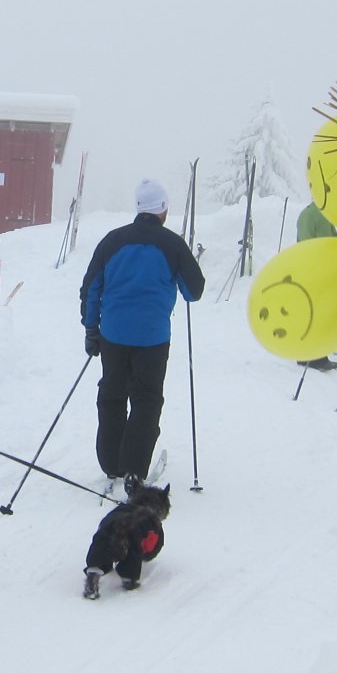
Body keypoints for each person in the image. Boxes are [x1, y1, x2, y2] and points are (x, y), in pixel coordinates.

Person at [79, 179, 206, 493]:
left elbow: (91, 287)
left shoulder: (113, 241)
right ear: (162, 209)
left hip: (113, 335)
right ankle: (135, 471)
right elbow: (195, 291)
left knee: (112, 394)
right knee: (146, 400)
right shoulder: (172, 245)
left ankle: (111, 463)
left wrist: (91, 329)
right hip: (152, 338)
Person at [293, 201, 337, 371]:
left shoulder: (305, 213)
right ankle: (317, 358)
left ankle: (303, 354)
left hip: (303, 266)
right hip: (317, 269)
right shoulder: (322, 215)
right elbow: (326, 245)